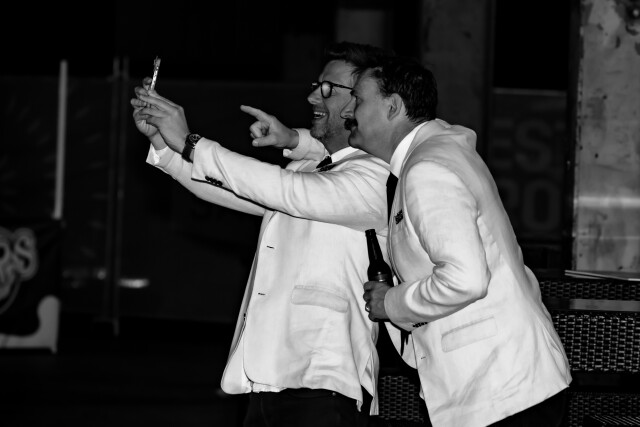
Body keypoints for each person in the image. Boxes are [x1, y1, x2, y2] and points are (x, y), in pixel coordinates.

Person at [130, 42, 393, 427]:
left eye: (327, 89)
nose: (312, 97)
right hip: (269, 381)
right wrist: (164, 145)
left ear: (361, 102)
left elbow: (280, 189)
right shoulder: (310, 169)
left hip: (326, 381)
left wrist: (191, 142)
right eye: (315, 86)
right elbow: (235, 191)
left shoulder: (376, 175)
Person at [337, 56, 573, 426]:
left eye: (358, 99)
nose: (348, 110)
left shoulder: (427, 169)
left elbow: (466, 279)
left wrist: (391, 302)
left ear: (393, 106)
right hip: (509, 382)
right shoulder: (439, 150)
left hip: (498, 389)